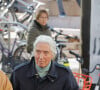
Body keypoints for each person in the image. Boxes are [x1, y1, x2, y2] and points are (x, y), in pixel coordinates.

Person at [10, 35, 79, 90]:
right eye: (38, 51)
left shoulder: (65, 74)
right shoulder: (18, 73)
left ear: (52, 54)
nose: (41, 57)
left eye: (46, 52)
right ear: (33, 52)